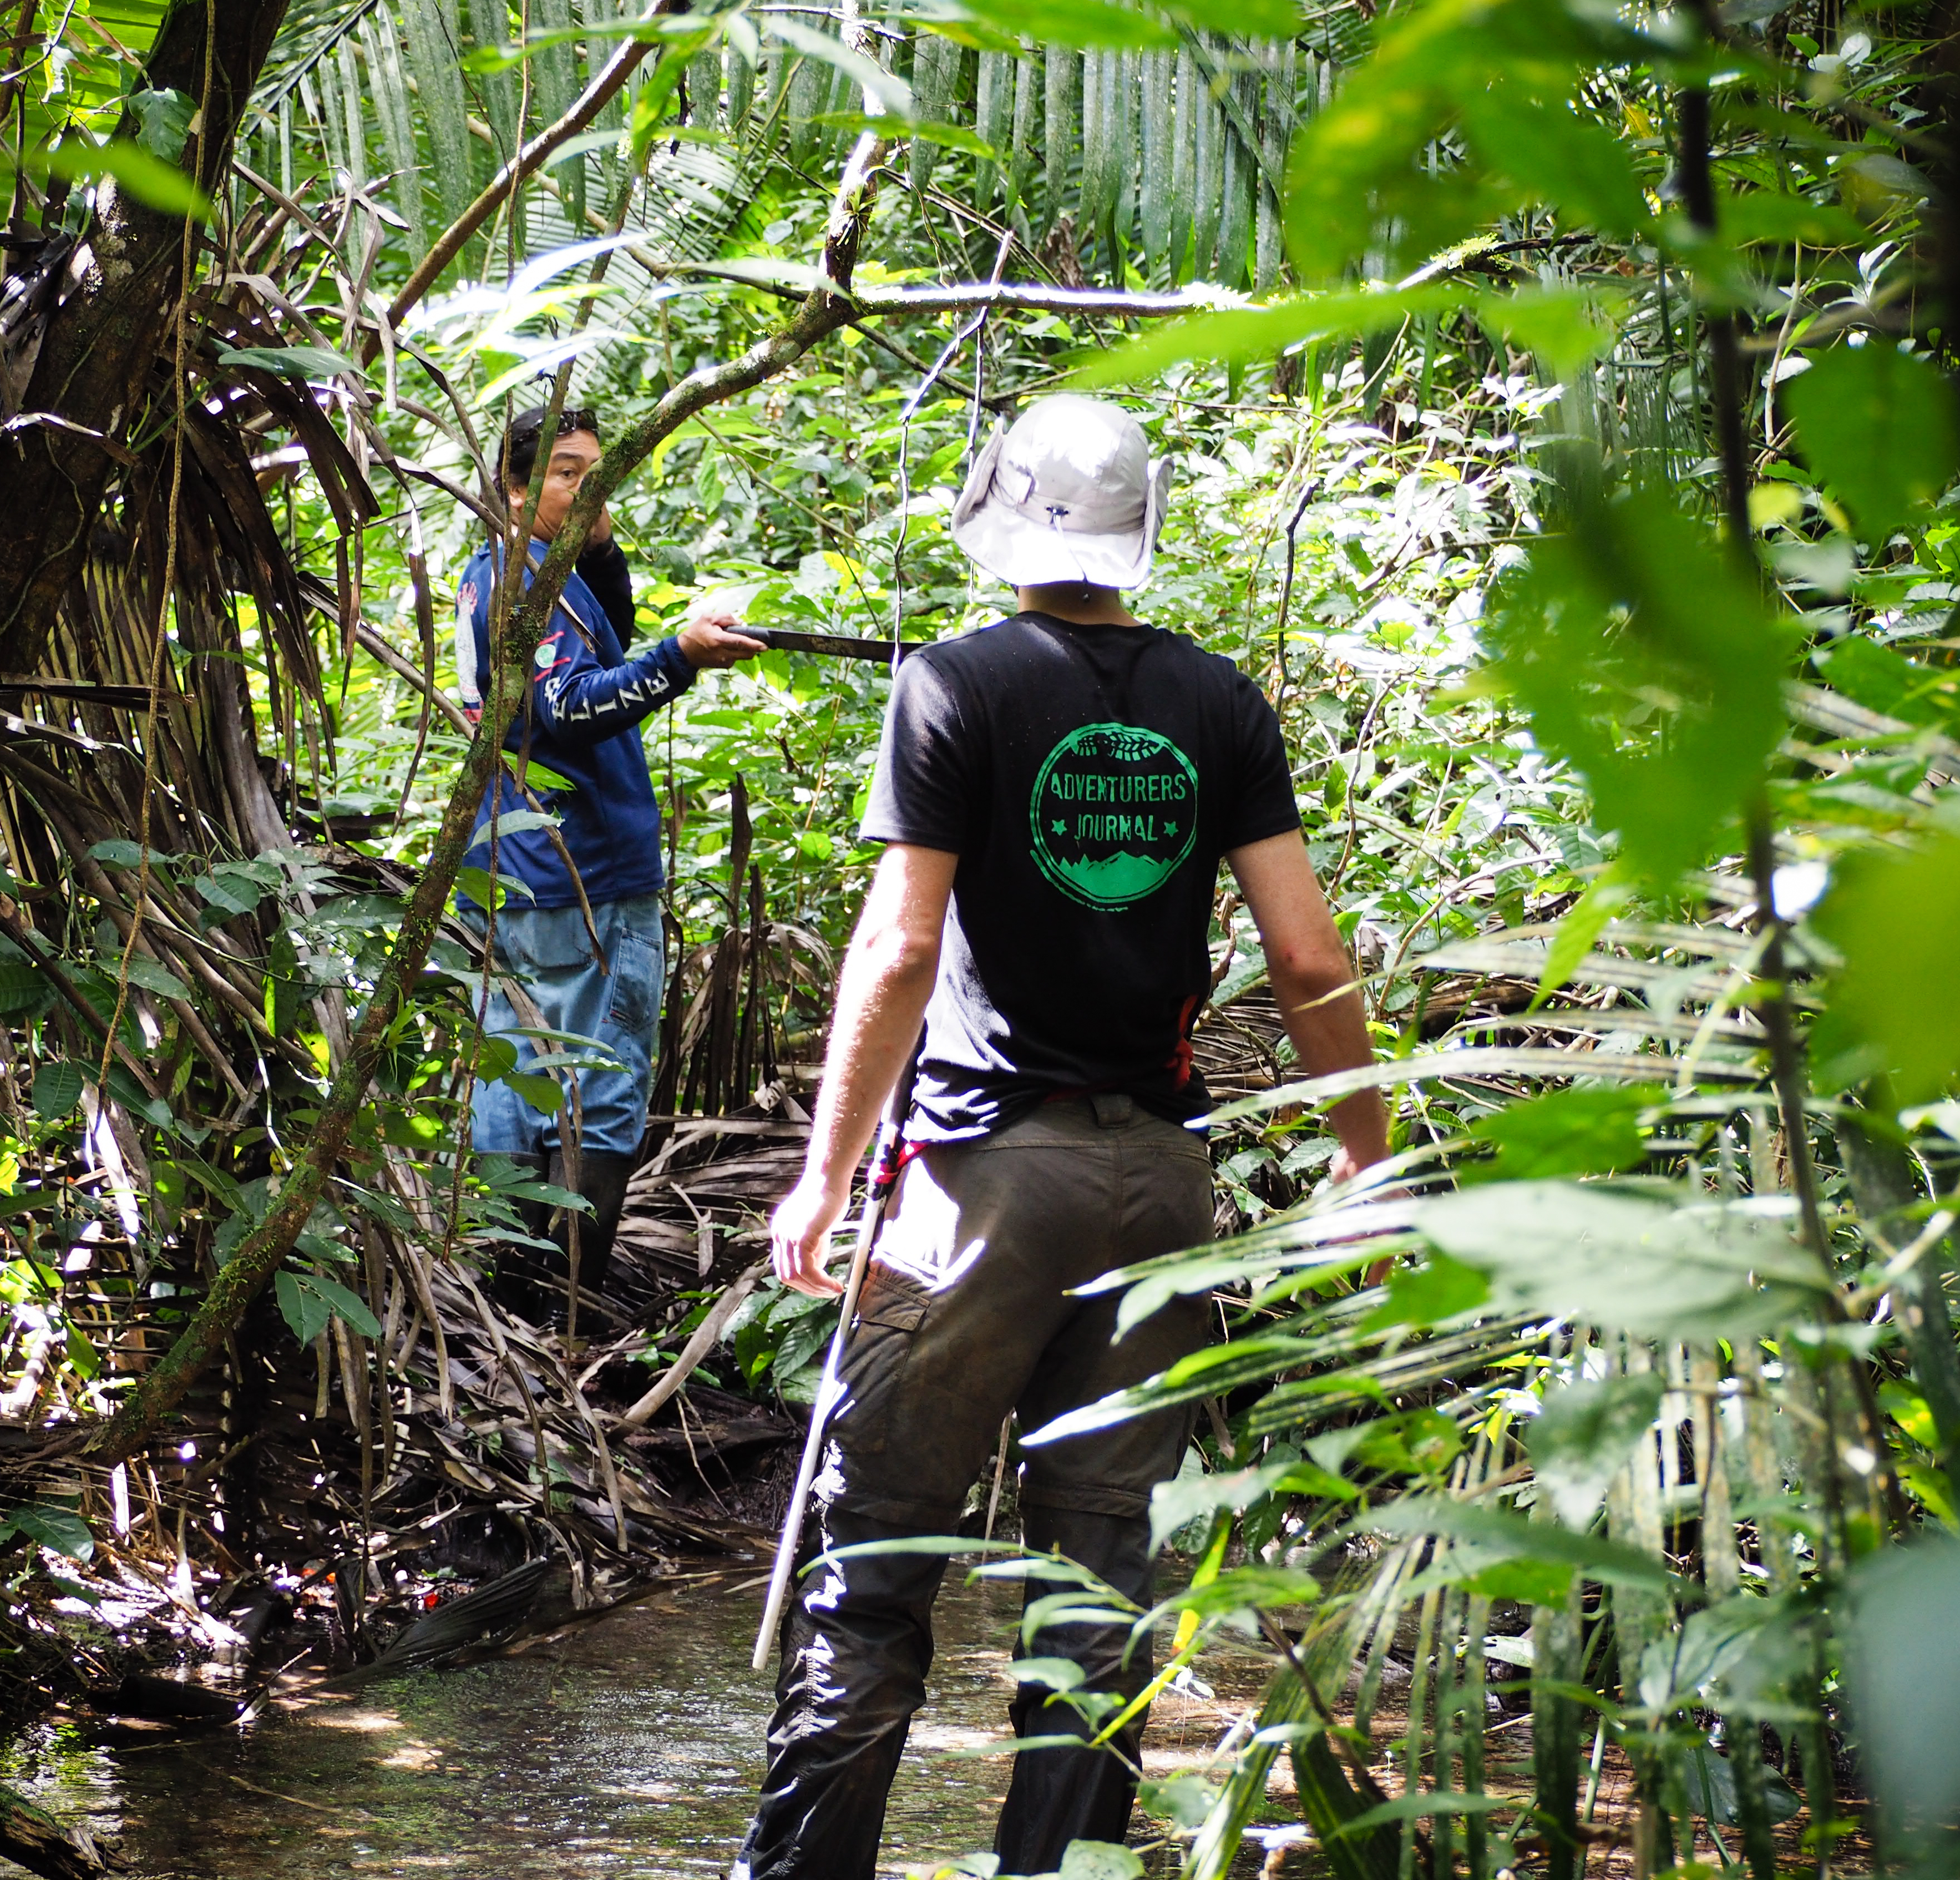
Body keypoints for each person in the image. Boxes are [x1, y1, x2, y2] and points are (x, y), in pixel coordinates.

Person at [731, 394, 1390, 1879]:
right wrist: (1364, 1150)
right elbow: (1304, 957)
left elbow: (900, 955)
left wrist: (825, 1179)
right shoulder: (1219, 703)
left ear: (1005, 524)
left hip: (976, 1181)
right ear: (1135, 538)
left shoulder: (953, 687)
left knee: (874, 1565)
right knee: (1099, 1586)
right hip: (1157, 1185)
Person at [456, 403, 762, 1325]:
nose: (588, 487)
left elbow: (603, 649)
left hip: (523, 869)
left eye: (599, 470)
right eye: (566, 473)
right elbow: (569, 708)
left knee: (515, 1083)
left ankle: (509, 1318)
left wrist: (596, 538)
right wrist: (681, 657)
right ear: (514, 487)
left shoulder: (523, 574)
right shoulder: (522, 579)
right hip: (582, 879)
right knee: (598, 1082)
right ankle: (562, 1317)